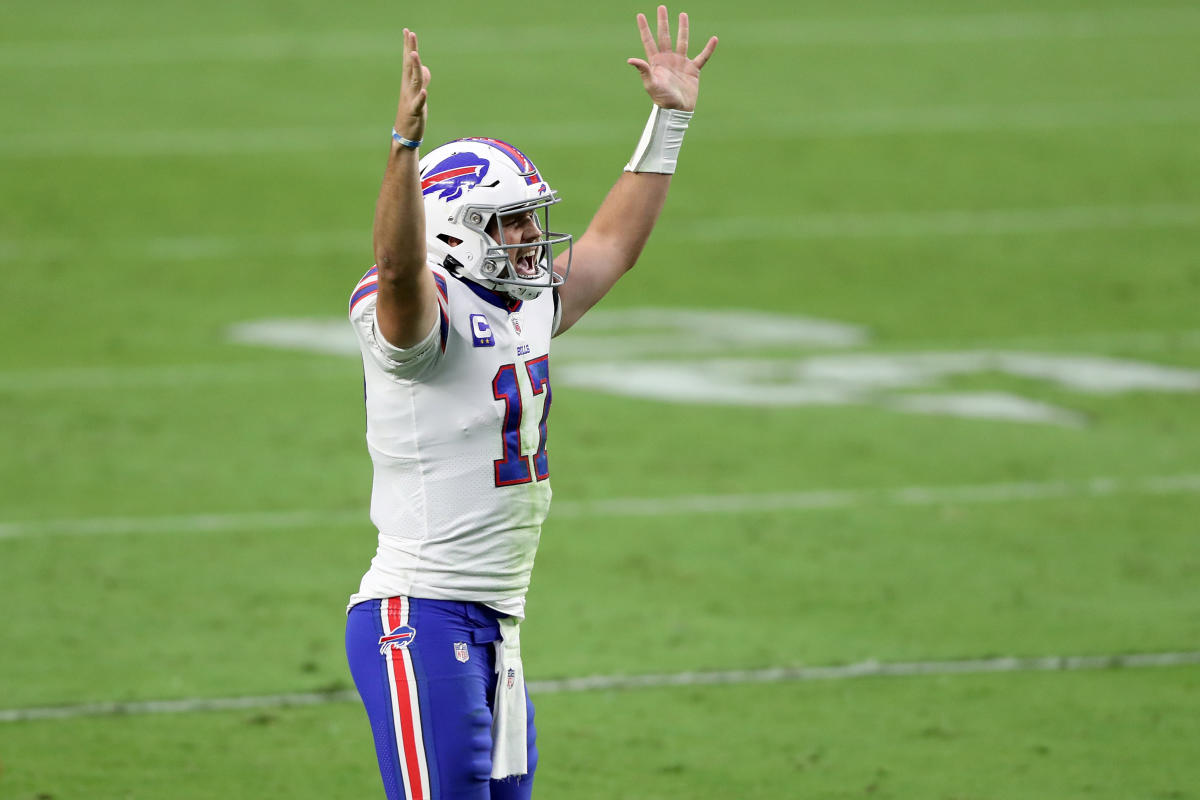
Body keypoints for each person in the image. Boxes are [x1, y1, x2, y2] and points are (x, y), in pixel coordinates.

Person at [344, 7, 718, 799]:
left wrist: (670, 120)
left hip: (497, 625)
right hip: (419, 616)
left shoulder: (524, 302)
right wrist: (403, 148)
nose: (528, 236)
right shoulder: (421, 314)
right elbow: (398, 266)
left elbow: (613, 246)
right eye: (507, 220)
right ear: (451, 230)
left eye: (526, 217)